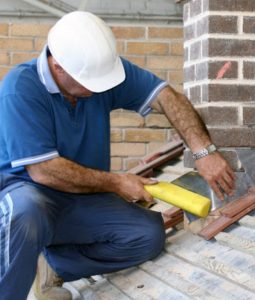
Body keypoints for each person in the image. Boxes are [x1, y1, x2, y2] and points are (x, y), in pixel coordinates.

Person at [0, 11, 235, 300]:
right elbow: (44, 171)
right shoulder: (20, 88)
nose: (99, 89)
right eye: (90, 82)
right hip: (26, 193)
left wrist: (204, 151)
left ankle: (53, 264)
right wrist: (117, 183)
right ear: (58, 66)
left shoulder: (102, 73)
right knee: (25, 212)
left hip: (79, 196)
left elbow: (166, 96)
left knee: (147, 234)